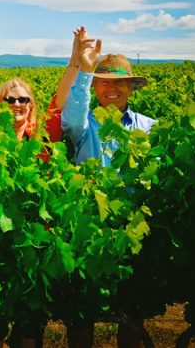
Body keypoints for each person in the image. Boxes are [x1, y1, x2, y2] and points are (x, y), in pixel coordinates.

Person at [60, 34, 155, 348]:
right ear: (95, 88)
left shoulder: (149, 128)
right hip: (86, 233)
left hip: (133, 236)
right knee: (81, 317)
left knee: (130, 318)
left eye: (119, 84)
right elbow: (69, 118)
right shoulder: (83, 125)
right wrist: (85, 71)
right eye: (103, 83)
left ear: (130, 88)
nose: (111, 89)